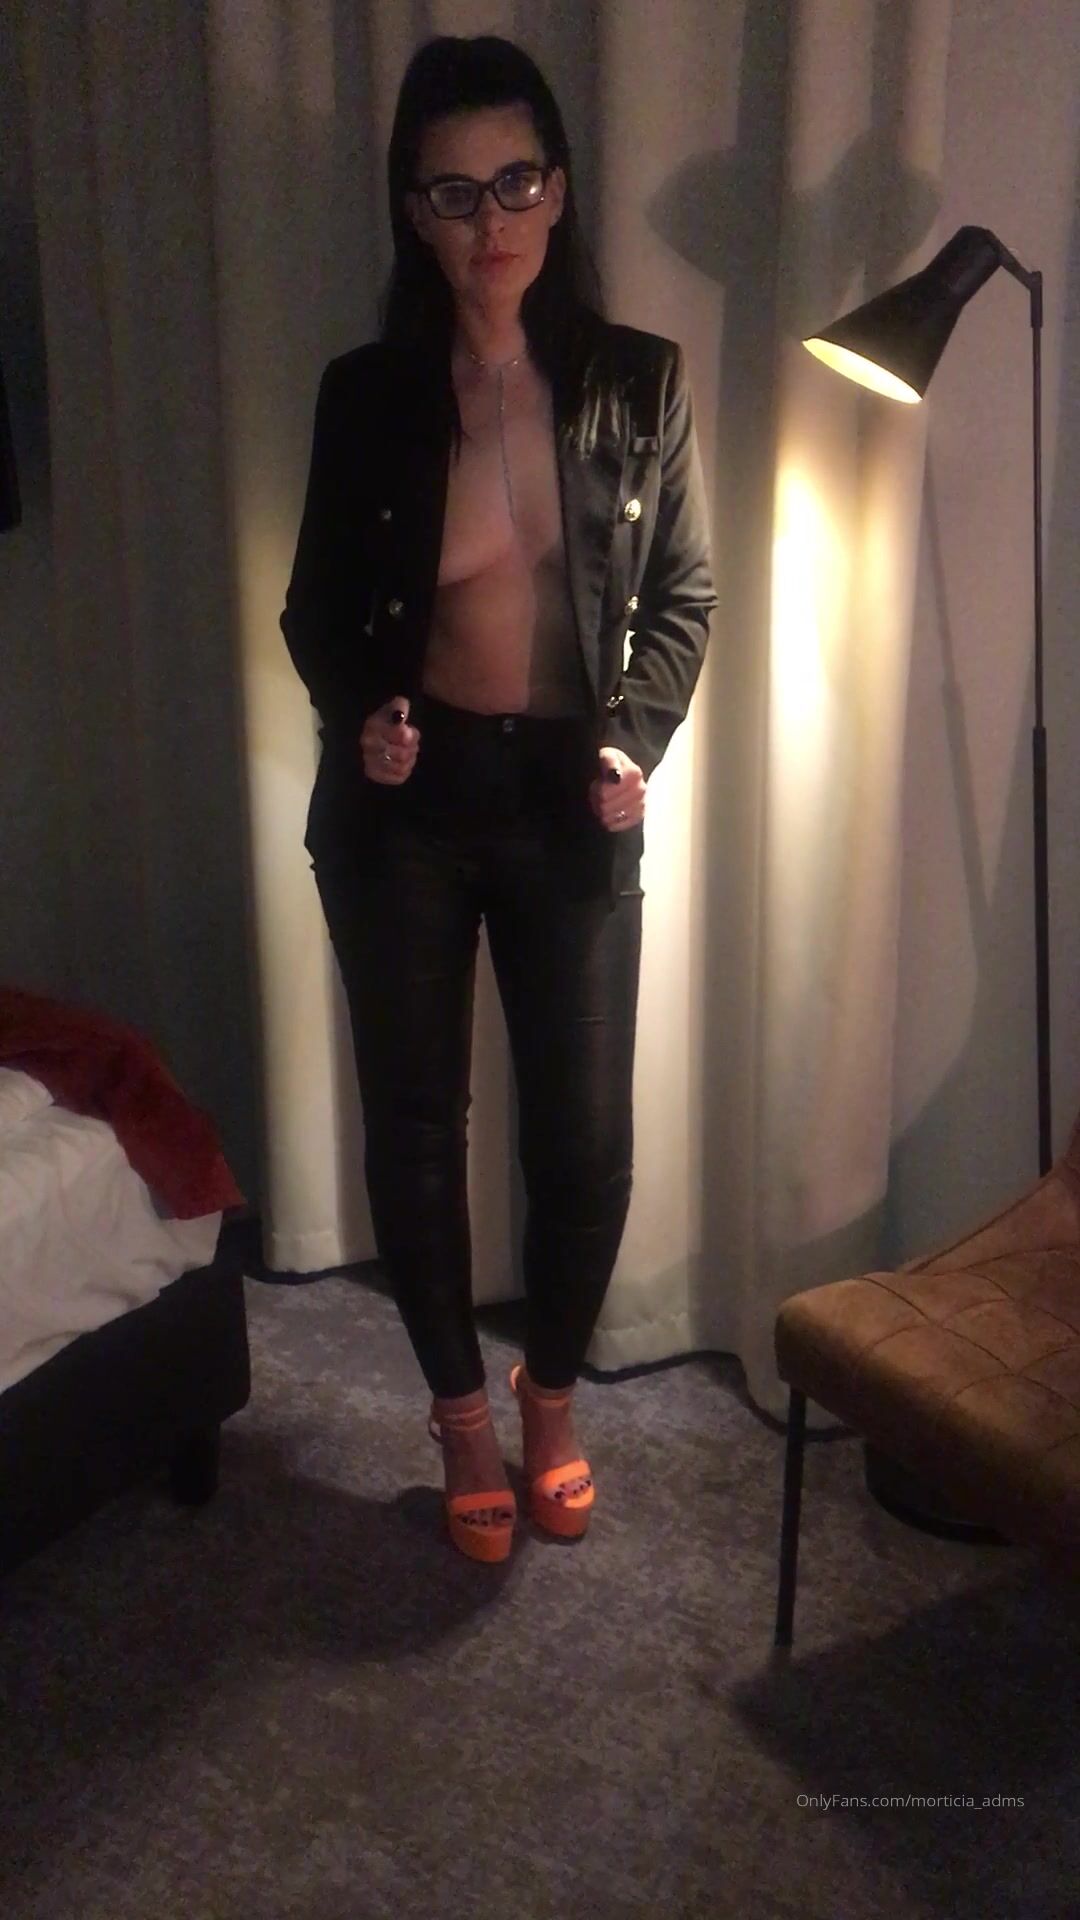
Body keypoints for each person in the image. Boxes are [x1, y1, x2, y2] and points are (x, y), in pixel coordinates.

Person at [281, 34, 715, 1564]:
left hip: (568, 794)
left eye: (516, 181)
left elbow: (681, 597)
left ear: (561, 187)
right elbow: (315, 608)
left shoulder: (637, 382)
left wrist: (636, 739)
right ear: (413, 209)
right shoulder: (368, 396)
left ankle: (551, 1397)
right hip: (408, 803)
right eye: (455, 192)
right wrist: (365, 716)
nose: (492, 222)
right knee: (417, 1124)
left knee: (586, 1145)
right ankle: (462, 1417)